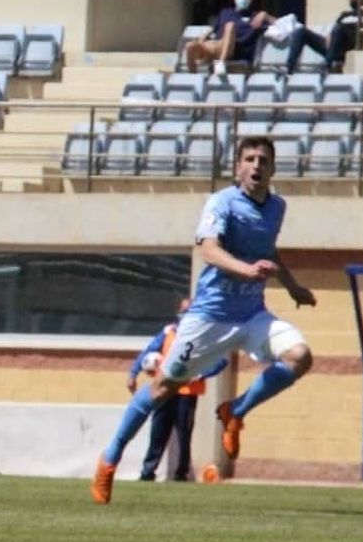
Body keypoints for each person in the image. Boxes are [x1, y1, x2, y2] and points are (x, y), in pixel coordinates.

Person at [91, 136, 316, 503]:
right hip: (209, 317)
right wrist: (246, 270)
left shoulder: (277, 207)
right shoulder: (222, 202)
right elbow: (208, 249)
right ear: (237, 167)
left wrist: (291, 286)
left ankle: (235, 411)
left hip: (252, 314)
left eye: (263, 159)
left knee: (300, 356)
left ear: (273, 168)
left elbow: (268, 249)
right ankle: (110, 458)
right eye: (249, 158)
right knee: (163, 388)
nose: (256, 165)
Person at [127, 298, 226, 483]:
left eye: (190, 310)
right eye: (183, 310)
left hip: (187, 392)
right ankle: (148, 472)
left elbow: (221, 360)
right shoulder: (168, 332)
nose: (186, 314)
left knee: (184, 434)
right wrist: (133, 373)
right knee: (158, 432)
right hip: (164, 389)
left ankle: (181, 473)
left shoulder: (203, 335)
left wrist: (202, 373)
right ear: (178, 312)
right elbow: (148, 352)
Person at [182, 0, 273, 75]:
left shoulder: (255, 17)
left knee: (230, 26)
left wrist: (266, 15)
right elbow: (214, 28)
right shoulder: (225, 12)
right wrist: (205, 35)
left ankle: (221, 63)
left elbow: (281, 25)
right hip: (215, 46)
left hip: (234, 50)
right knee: (190, 46)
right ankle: (193, 76)